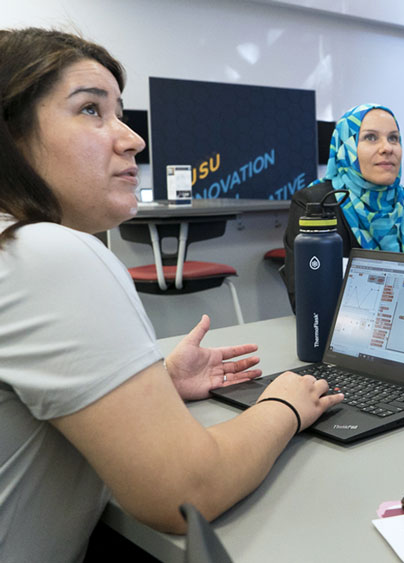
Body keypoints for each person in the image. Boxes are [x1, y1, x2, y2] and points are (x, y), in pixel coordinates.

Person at [0, 28, 344, 562]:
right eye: (91, 110)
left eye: (119, 111)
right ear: (11, 135)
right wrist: (284, 404)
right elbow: (187, 491)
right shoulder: (47, 254)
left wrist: (154, 384)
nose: (132, 138)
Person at [282, 103, 404, 307]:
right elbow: (309, 301)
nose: (387, 148)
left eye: (394, 138)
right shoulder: (317, 204)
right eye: (371, 137)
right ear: (346, 147)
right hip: (351, 327)